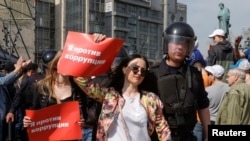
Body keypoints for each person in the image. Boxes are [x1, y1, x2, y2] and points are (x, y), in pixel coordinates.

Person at [74, 54, 172, 141]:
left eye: (143, 71)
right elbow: (82, 81)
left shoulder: (151, 99)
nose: (139, 73)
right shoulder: (110, 96)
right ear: (124, 69)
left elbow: (163, 130)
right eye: (135, 68)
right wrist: (95, 47)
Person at [149, 22, 210, 141]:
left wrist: (208, 135)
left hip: (187, 137)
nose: (180, 47)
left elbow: (203, 106)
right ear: (167, 43)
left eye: (184, 44)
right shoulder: (152, 74)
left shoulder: (194, 74)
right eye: (176, 42)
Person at [23, 50, 93, 141]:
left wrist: (82, 122)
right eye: (64, 62)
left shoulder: (78, 88)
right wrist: (27, 121)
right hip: (47, 137)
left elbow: (85, 114)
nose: (67, 66)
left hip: (70, 138)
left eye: (69, 63)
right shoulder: (42, 87)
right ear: (56, 64)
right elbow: (33, 112)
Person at [0, 57, 31, 141]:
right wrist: (17, 69)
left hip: (6, 116)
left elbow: (9, 79)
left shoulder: (2, 75)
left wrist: (21, 69)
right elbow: (4, 81)